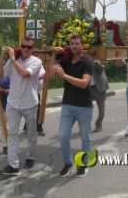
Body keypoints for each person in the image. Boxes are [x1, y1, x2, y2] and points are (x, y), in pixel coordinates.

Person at [49, 34, 94, 178]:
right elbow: (51, 75)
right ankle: (68, 162)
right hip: (67, 105)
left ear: (82, 45)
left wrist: (64, 75)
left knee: (85, 137)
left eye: (77, 43)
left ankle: (84, 163)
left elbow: (84, 83)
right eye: (72, 43)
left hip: (84, 106)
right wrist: (54, 56)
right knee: (62, 136)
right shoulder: (66, 61)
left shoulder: (87, 63)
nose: (74, 46)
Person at [0, 36, 42, 176]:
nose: (25, 49)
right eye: (23, 46)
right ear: (20, 46)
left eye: (29, 47)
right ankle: (12, 164)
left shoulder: (36, 61)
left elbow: (24, 74)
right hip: (13, 102)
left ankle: (30, 156)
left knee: (31, 132)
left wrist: (13, 59)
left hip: (29, 102)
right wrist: (2, 56)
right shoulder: (13, 60)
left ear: (33, 49)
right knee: (12, 134)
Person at [23, 53, 48, 137]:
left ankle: (27, 126)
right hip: (31, 92)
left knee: (32, 111)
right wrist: (42, 78)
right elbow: (28, 78)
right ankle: (39, 128)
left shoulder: (41, 66)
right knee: (37, 111)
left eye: (39, 55)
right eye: (36, 55)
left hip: (37, 91)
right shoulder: (31, 65)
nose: (39, 57)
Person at [90, 60, 109, 132]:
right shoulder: (83, 60)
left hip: (99, 87)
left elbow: (101, 69)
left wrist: (95, 62)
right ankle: (85, 125)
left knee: (101, 107)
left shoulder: (98, 59)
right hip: (88, 87)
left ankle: (98, 124)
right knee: (86, 107)